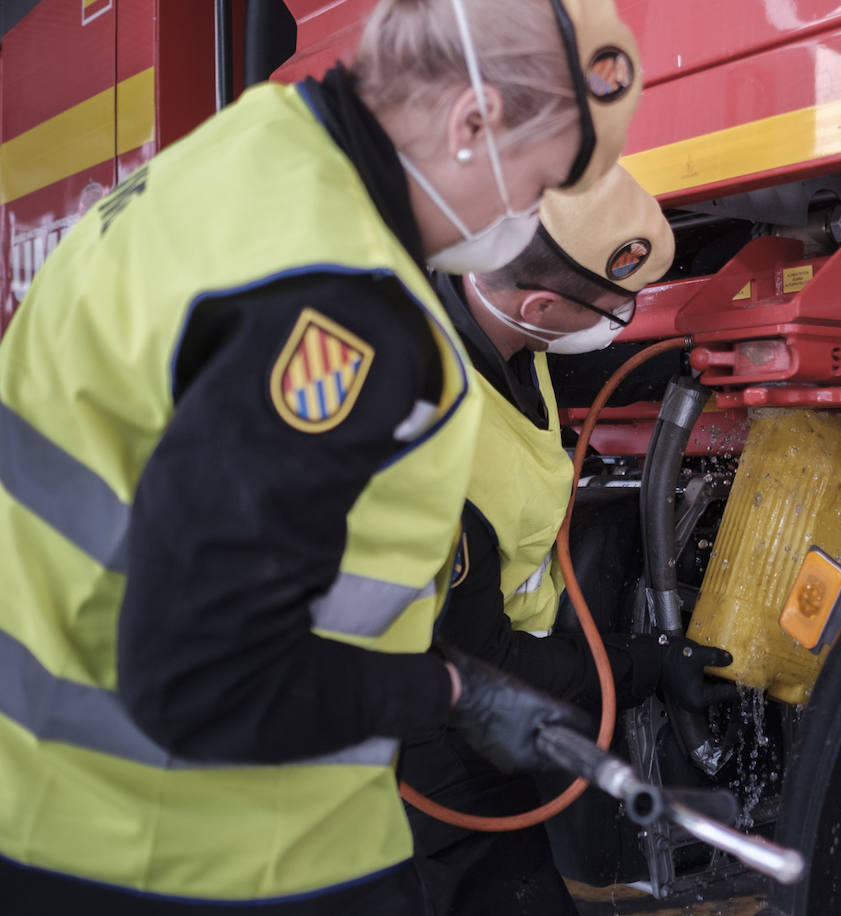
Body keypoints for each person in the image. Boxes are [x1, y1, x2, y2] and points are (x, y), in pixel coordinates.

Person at [0, 0, 643, 913]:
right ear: (474, 124)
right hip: (196, 849)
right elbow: (200, 677)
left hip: (52, 791)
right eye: (539, 189)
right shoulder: (337, 302)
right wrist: (452, 689)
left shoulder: (241, 155)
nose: (524, 223)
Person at [400, 165, 738, 914]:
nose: (616, 324)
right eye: (611, 314)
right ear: (542, 304)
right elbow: (477, 658)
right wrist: (639, 665)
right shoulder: (426, 433)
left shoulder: (491, 313)